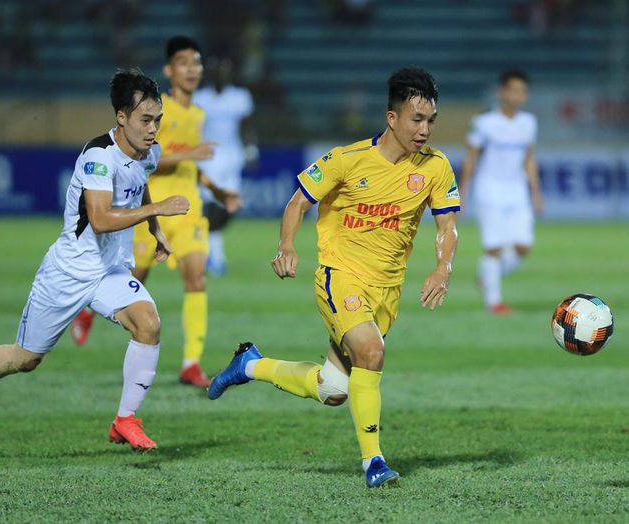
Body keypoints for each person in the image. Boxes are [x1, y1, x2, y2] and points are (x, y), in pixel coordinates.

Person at [208, 68, 460, 487]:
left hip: (386, 290)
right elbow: (297, 203)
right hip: (339, 276)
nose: (425, 129)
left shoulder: (435, 167)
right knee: (371, 353)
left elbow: (447, 227)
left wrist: (442, 268)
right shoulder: (347, 159)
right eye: (417, 119)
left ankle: (251, 365)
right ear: (392, 118)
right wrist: (286, 246)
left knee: (333, 389)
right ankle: (374, 463)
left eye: (431, 120)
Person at [0, 69, 190, 450]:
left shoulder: (149, 153)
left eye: (158, 119)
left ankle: (125, 420)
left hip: (109, 271)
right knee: (25, 359)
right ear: (121, 117)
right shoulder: (98, 156)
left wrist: (155, 228)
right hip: (67, 273)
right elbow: (99, 219)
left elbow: (138, 185)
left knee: (148, 324)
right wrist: (160, 208)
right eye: (145, 120)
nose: (153, 129)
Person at [70, 36, 241, 387]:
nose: (192, 69)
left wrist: (217, 189)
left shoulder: (197, 113)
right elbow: (150, 162)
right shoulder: (156, 111)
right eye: (184, 63)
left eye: (196, 63)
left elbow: (188, 167)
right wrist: (189, 154)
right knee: (135, 280)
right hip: (151, 208)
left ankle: (191, 363)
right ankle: (89, 308)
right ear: (169, 70)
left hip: (188, 209)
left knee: (197, 278)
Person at [459, 70, 543, 314]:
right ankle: (494, 302)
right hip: (489, 190)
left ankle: (487, 277)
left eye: (522, 91)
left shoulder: (528, 122)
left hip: (517, 192)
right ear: (501, 92)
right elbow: (470, 158)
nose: (518, 95)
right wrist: (463, 193)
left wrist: (536, 192)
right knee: (494, 248)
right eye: (513, 90)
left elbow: (529, 159)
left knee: (523, 246)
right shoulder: (484, 122)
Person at [193, 55, 256, 275]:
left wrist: (251, 150)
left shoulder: (240, 97)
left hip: (232, 156)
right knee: (209, 204)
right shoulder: (200, 98)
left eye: (224, 71)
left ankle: (211, 247)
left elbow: (247, 126)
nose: (221, 75)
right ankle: (215, 255)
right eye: (217, 71)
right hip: (208, 157)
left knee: (230, 204)